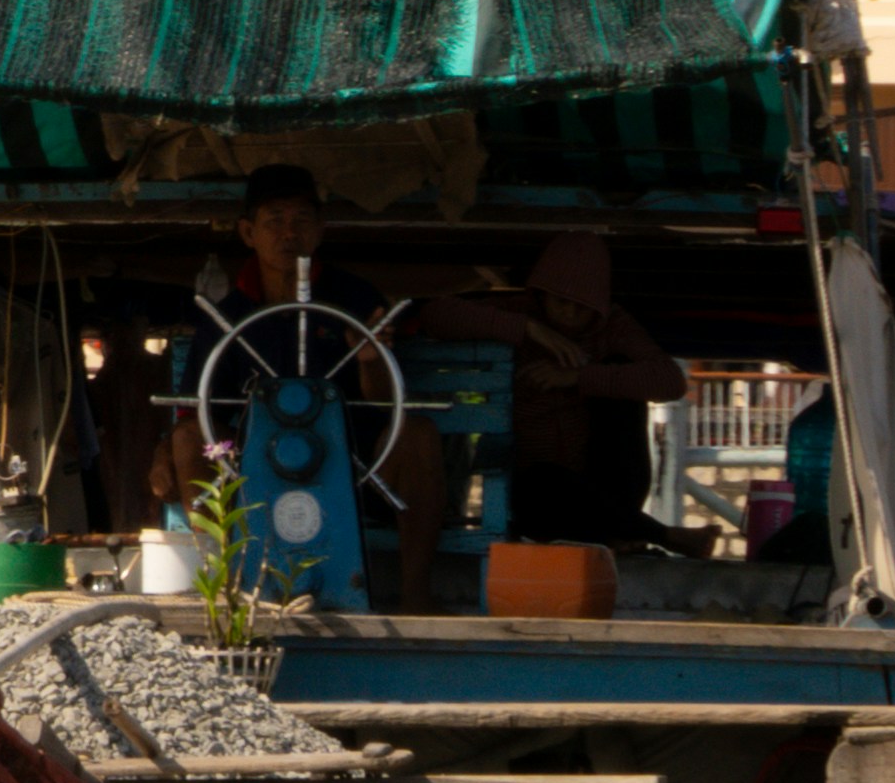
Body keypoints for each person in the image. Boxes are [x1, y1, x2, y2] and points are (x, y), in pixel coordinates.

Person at [144, 165, 454, 607]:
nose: (289, 233)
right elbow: (197, 413)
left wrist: (369, 361)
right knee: (188, 439)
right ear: (248, 232)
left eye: (302, 220)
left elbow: (387, 402)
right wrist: (165, 450)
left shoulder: (358, 300)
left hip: (358, 470)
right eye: (274, 221)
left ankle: (415, 598)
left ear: (321, 230)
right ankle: (218, 584)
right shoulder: (226, 316)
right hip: (254, 471)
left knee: (417, 435)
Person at [414, 232, 694, 551]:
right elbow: (434, 315)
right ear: (542, 294)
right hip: (538, 492)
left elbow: (670, 381)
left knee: (621, 377)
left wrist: (578, 377)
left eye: (582, 306)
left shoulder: (612, 326)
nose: (570, 314)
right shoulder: (519, 312)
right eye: (561, 301)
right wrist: (527, 329)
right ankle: (659, 535)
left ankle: (630, 531)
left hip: (604, 483)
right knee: (544, 483)